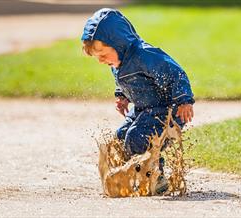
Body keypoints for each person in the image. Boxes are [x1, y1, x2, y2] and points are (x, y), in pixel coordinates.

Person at [81, 8, 195, 194]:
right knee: (120, 137)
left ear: (119, 43)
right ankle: (135, 175)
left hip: (166, 111)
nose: (101, 60)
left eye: (103, 54)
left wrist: (184, 100)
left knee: (136, 138)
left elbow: (175, 73)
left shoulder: (145, 55)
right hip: (144, 109)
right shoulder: (118, 61)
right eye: (97, 57)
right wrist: (122, 96)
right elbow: (125, 80)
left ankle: (156, 178)